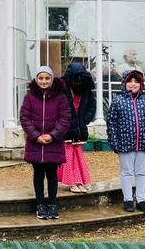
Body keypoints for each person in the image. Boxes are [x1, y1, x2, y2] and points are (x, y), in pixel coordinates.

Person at [107, 70, 145, 214]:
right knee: (126, 172)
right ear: (124, 83)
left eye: (136, 81)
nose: (133, 84)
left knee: (141, 172)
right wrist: (114, 142)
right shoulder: (118, 101)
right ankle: (127, 200)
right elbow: (111, 123)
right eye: (130, 81)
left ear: (141, 84)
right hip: (124, 143)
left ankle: (141, 200)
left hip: (144, 143)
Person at [20, 66, 71, 220]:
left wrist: (52, 135)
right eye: (41, 78)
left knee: (52, 174)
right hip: (35, 143)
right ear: (36, 79)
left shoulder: (60, 97)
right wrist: (35, 136)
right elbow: (25, 118)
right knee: (38, 174)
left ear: (52, 79)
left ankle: (52, 204)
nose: (44, 81)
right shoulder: (29, 97)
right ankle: (40, 204)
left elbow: (65, 119)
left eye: (47, 78)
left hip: (53, 143)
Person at [58, 63, 96, 193]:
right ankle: (72, 182)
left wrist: (85, 120)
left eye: (80, 80)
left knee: (78, 156)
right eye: (76, 79)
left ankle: (81, 181)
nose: (78, 82)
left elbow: (92, 106)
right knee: (68, 156)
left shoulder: (86, 90)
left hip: (79, 128)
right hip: (66, 129)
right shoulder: (61, 90)